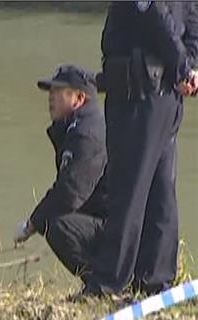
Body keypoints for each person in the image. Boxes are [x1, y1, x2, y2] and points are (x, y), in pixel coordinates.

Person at [82, 1, 198, 298]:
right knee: (161, 192)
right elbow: (192, 19)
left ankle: (108, 283)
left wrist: (184, 66)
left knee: (127, 189)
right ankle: (154, 281)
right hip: (165, 93)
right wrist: (189, 66)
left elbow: (151, 10)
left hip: (139, 94)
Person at [14, 65, 108, 283]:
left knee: (56, 224)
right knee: (55, 215)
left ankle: (100, 284)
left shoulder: (87, 134)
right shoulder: (80, 126)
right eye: (51, 91)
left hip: (114, 227)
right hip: (103, 219)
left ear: (79, 98)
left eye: (58, 91)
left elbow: (69, 193)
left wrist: (32, 224)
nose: (51, 97)